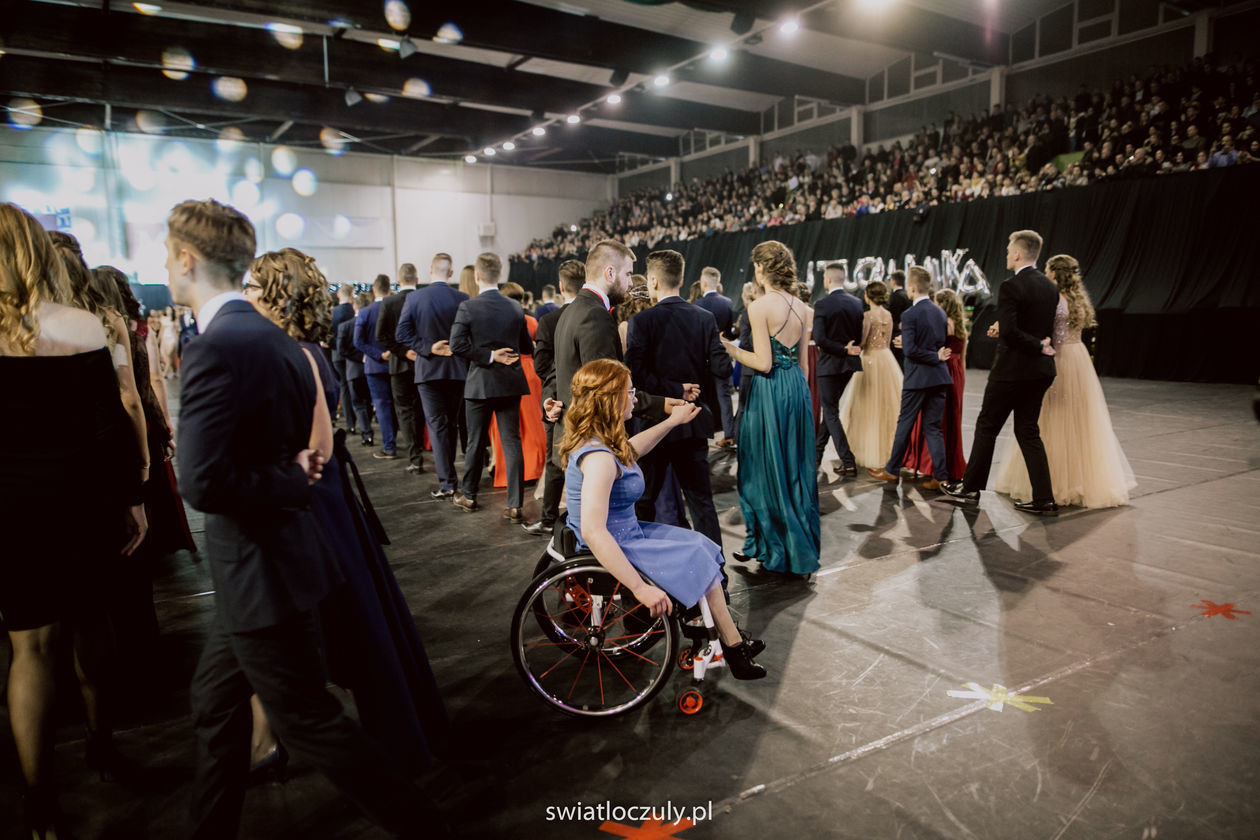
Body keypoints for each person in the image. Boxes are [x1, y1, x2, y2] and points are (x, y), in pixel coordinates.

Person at [169, 199, 437, 839]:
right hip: (269, 567)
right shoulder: (274, 340)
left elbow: (200, 482)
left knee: (310, 723)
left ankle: (426, 827)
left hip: (259, 572)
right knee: (216, 707)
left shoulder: (218, 346)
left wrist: (290, 477)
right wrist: (290, 474)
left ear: (185, 259)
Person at [244, 248, 448, 773]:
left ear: (276, 295)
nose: (245, 296)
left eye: (253, 287)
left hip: (318, 506)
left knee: (340, 627)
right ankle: (267, 737)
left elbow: (318, 448)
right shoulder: (296, 350)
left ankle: (282, 740)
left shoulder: (299, 353)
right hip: (318, 502)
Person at [1, 203, 144, 839]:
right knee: (92, 624)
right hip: (79, 499)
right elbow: (107, 426)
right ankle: (101, 745)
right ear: (36, 252)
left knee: (28, 649)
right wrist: (133, 498)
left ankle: (40, 803)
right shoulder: (83, 325)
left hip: (9, 507)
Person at [559, 359, 766, 679]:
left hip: (627, 532)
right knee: (697, 554)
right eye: (630, 392)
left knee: (702, 546)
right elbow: (593, 530)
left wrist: (672, 422)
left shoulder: (602, 441)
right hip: (617, 541)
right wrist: (639, 588)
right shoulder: (598, 458)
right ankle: (730, 645)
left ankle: (731, 642)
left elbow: (631, 451)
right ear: (611, 399)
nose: (635, 398)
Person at [992, 254, 1135, 507]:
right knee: (1076, 420)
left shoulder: (1056, 299)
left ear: (1055, 274)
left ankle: (1055, 483)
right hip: (1078, 357)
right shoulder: (1078, 299)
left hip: (1058, 357)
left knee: (1052, 418)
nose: (1045, 275)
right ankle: (1079, 478)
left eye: (1048, 270)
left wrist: (1007, 329)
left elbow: (1044, 330)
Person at [942, 229, 1060, 515]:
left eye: (1008, 251)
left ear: (1017, 254)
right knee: (1028, 431)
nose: (1006, 255)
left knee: (987, 426)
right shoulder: (1050, 286)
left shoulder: (1010, 286)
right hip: (1040, 371)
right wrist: (1038, 344)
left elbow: (1011, 332)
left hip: (1012, 371)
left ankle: (970, 488)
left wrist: (1032, 342)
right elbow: (1033, 326)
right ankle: (1044, 498)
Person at [720, 241, 820, 577]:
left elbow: (763, 363)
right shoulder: (803, 307)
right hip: (797, 389)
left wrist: (730, 348)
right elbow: (805, 365)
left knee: (761, 467)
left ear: (761, 269)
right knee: (793, 466)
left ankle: (770, 545)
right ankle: (795, 545)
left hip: (770, 389)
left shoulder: (759, 306)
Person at [625, 249, 731, 547]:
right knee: (701, 503)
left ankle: (640, 564)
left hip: (654, 424)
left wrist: (673, 388)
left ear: (653, 281)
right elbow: (722, 368)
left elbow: (635, 376)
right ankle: (715, 569)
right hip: (692, 421)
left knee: (644, 501)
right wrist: (688, 386)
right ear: (682, 279)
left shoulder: (641, 321)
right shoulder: (705, 318)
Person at [449, 252, 533, 522]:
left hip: (480, 384)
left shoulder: (468, 307)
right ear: (500, 274)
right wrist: (501, 353)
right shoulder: (515, 307)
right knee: (511, 441)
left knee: (475, 442)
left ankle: (469, 495)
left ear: (476, 276)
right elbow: (526, 346)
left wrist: (488, 355)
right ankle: (515, 504)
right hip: (510, 381)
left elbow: (456, 346)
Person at [869, 266, 953, 490]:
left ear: (913, 288)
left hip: (918, 378)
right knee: (933, 428)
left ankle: (892, 470)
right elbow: (938, 344)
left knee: (905, 424)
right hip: (939, 377)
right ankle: (941, 477)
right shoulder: (940, 313)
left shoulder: (910, 314)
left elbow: (913, 350)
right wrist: (931, 353)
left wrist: (917, 349)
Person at [396, 252, 468, 499]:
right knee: (451, 424)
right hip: (456, 369)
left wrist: (428, 347)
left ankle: (448, 483)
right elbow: (469, 334)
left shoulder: (415, 298)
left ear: (430, 271)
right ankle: (451, 479)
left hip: (428, 370)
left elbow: (401, 333)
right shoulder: (462, 298)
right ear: (451, 273)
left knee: (437, 425)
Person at [523, 259, 584, 536]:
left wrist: (555, 388)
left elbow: (541, 366)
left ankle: (549, 519)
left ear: (561, 286)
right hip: (587, 397)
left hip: (557, 400)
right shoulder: (598, 315)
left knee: (555, 461)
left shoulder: (548, 321)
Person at [902, 289, 969, 481]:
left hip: (941, 368)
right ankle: (945, 466)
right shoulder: (961, 328)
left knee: (936, 421)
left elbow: (931, 347)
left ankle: (933, 468)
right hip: (957, 372)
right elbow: (963, 358)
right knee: (950, 419)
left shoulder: (943, 324)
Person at [836, 280, 903, 470]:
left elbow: (863, 341)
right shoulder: (888, 315)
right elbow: (887, 341)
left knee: (866, 404)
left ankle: (865, 448)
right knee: (886, 405)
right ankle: (891, 450)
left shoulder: (867, 316)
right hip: (886, 358)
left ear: (868, 296)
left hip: (870, 359)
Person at [491, 281, 546, 488]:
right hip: (529, 372)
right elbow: (535, 349)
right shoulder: (530, 321)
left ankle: (509, 472)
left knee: (508, 428)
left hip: (503, 372)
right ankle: (536, 468)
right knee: (534, 423)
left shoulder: (495, 321)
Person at [811, 262, 863, 473]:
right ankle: (816, 454)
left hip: (830, 365)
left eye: (824, 278)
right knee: (830, 409)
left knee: (830, 411)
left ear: (829, 279)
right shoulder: (857, 303)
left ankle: (848, 461)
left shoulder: (822, 304)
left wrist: (842, 349)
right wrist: (847, 349)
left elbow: (820, 339)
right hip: (848, 365)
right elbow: (858, 336)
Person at [376, 263, 426, 474]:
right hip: (423, 363)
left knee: (405, 412)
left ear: (398, 281)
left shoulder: (388, 302)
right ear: (417, 279)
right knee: (421, 409)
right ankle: (420, 449)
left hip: (398, 365)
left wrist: (403, 352)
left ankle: (415, 457)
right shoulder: (423, 299)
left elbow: (381, 336)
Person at [353, 274, 398, 459]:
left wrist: (378, 355)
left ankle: (390, 446)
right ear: (389, 288)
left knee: (382, 405)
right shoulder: (396, 310)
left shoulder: (365, 312)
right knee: (399, 406)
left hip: (375, 366)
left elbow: (358, 341)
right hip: (396, 363)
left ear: (374, 289)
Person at [693, 266, 738, 447]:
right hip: (721, 356)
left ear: (703, 283)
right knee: (724, 397)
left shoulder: (697, 305)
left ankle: (703, 433)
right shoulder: (727, 303)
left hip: (702, 359)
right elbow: (729, 333)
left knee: (702, 397)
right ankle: (729, 434)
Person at [337, 292, 375, 447]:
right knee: (368, 402)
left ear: (354, 306)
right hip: (371, 368)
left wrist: (358, 358)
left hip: (354, 370)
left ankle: (367, 434)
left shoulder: (344, 326)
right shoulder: (372, 324)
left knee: (358, 403)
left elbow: (341, 350)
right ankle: (368, 430)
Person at [329, 283, 356, 433]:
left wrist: (336, 345)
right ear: (351, 295)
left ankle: (350, 423)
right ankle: (360, 419)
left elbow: (327, 336)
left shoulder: (332, 313)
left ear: (339, 295)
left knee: (344, 387)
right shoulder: (355, 311)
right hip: (355, 355)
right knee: (355, 386)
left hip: (337, 355)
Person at [887, 270, 910, 368]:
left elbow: (891, 317)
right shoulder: (908, 295)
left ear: (893, 281)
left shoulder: (894, 297)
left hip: (895, 336)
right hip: (907, 335)